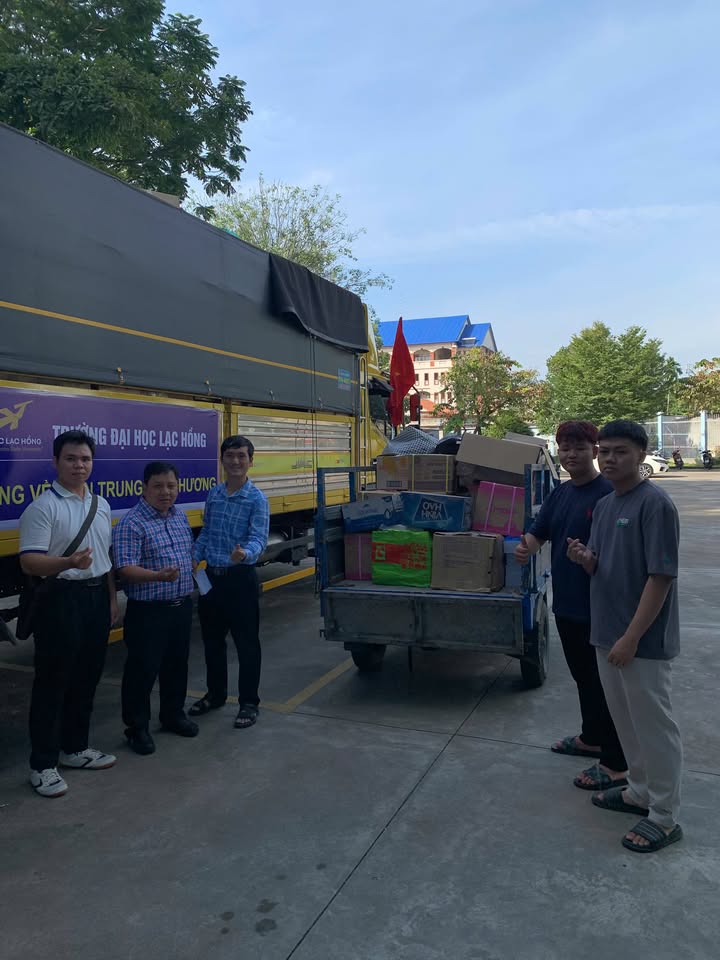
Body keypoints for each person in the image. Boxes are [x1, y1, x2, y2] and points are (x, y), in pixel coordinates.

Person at [567, 419, 683, 853]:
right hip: (606, 633)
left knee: (654, 727)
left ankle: (664, 816)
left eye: (621, 451)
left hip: (641, 642)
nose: (610, 459)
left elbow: (660, 577)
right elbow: (603, 563)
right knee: (625, 722)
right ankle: (638, 790)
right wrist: (586, 558)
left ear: (641, 454)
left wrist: (632, 637)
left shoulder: (655, 504)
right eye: (605, 451)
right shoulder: (606, 504)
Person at [515, 421, 626, 791]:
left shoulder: (609, 493)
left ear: (594, 450)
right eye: (565, 448)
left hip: (602, 608)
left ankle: (615, 763)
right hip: (567, 604)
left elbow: (624, 555)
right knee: (584, 679)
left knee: (607, 687)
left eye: (579, 447)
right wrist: (526, 546)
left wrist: (590, 559)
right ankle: (591, 738)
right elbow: (541, 530)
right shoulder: (561, 493)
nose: (571, 454)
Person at [19, 430, 117, 798]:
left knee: (86, 677)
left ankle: (75, 748)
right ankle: (43, 765)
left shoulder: (101, 504)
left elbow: (105, 559)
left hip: (96, 598)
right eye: (71, 459)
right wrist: (68, 562)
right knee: (52, 682)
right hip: (60, 600)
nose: (79, 465)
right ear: (56, 462)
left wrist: (111, 600)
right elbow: (30, 562)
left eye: (85, 459)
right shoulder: (43, 507)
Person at [112, 461, 197, 755]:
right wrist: (157, 576)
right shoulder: (131, 523)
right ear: (144, 488)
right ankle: (137, 728)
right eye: (158, 486)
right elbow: (125, 569)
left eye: (171, 486)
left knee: (177, 665)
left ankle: (173, 715)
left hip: (180, 606)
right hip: (148, 612)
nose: (166, 492)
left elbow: (188, 553)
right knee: (142, 670)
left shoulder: (179, 516)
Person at [191, 435, 269, 729]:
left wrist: (244, 553)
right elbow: (207, 533)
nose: (235, 461)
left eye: (241, 456)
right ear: (222, 460)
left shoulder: (257, 499)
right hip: (212, 579)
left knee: (246, 643)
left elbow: (259, 539)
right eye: (230, 456)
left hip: (240, 580)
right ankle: (216, 695)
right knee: (212, 642)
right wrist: (193, 557)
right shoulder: (214, 494)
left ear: (251, 461)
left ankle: (249, 702)